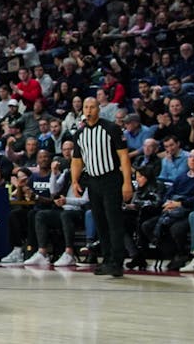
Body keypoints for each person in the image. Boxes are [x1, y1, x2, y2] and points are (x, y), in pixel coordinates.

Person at [71, 97, 133, 277]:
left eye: (92, 107)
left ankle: (117, 261)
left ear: (98, 109)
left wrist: (127, 182)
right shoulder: (79, 134)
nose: (88, 110)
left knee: (114, 222)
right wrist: (75, 181)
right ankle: (107, 259)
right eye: (86, 107)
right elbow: (76, 160)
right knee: (100, 222)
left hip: (111, 179)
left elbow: (123, 157)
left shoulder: (111, 128)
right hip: (92, 181)